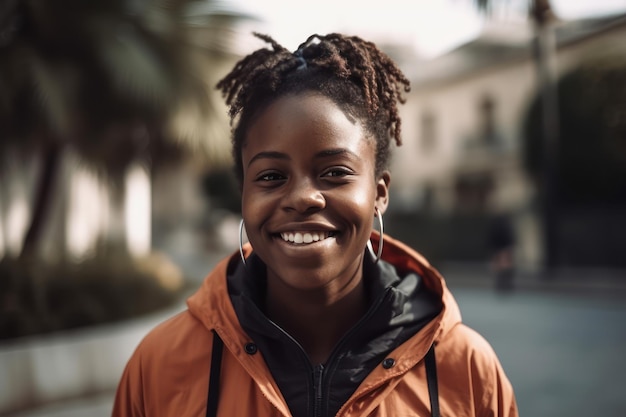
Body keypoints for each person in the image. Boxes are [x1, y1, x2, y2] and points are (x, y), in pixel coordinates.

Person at [112, 32, 518, 417]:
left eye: (335, 172)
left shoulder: (466, 369)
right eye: (271, 176)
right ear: (244, 196)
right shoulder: (160, 368)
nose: (303, 197)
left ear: (379, 192)